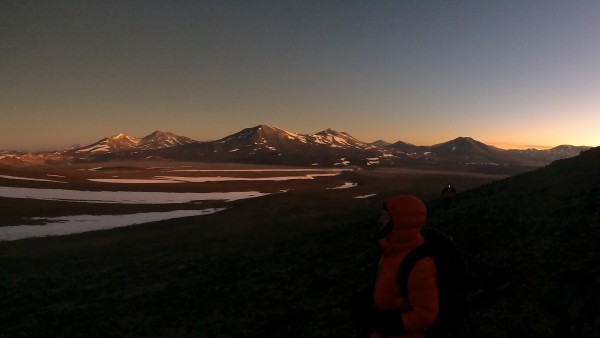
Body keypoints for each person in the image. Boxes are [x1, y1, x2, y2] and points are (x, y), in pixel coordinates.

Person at [370, 195, 438, 338]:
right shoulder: (391, 252)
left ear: (400, 222)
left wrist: (389, 323)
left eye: (386, 217)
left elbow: (426, 314)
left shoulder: (420, 264)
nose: (380, 221)